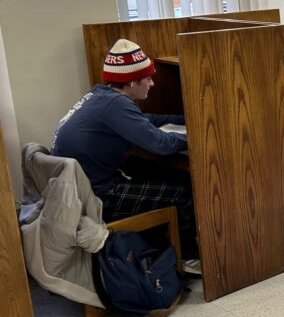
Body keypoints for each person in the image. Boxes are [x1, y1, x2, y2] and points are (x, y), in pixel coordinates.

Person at [52, 39, 199, 271]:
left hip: (76, 192)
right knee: (183, 192)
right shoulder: (116, 106)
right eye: (148, 78)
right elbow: (160, 144)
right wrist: (197, 136)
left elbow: (146, 121)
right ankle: (189, 259)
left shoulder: (102, 96)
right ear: (131, 82)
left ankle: (166, 247)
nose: (151, 83)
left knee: (161, 178)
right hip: (99, 196)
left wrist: (186, 121)